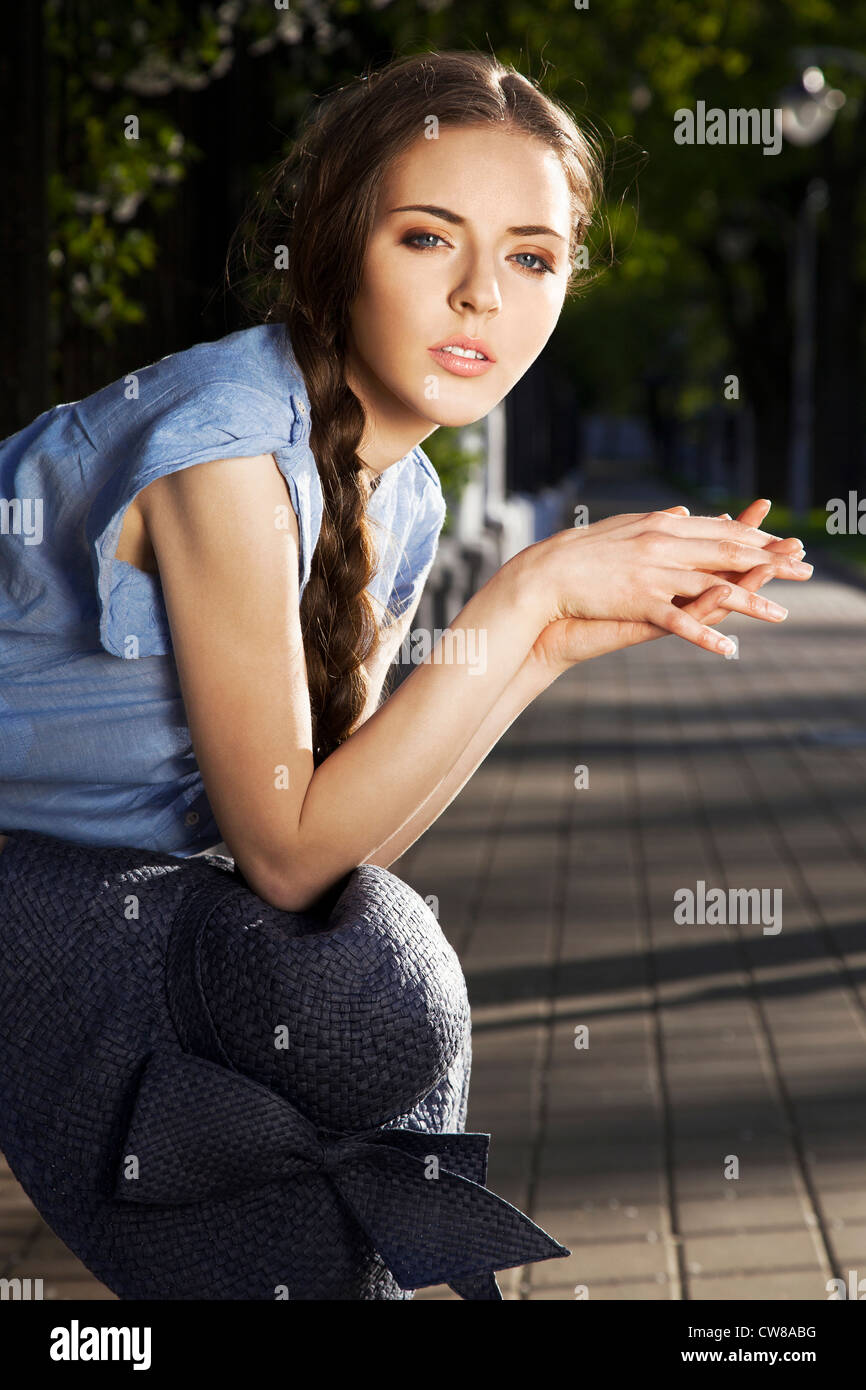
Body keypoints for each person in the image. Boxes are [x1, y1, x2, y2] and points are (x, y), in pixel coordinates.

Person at [0, 48, 813, 1299]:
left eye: (532, 256)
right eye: (430, 238)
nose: (483, 296)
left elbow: (340, 841)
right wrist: (529, 596)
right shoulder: (223, 456)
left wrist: (544, 648)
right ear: (335, 244)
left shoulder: (405, 493)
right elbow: (280, 847)